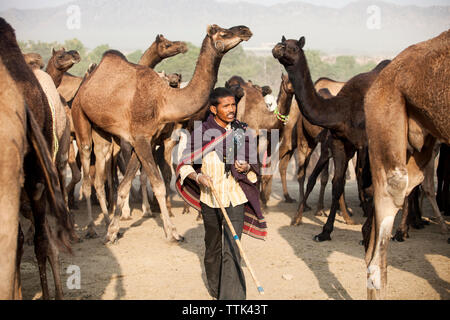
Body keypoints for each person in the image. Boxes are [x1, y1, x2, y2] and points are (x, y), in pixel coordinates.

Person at [176, 87, 267, 300]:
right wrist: (198, 178)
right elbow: (184, 165)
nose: (231, 109)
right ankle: (217, 291)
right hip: (210, 199)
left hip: (235, 197)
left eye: (233, 105)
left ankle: (232, 299)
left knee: (233, 249)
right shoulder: (200, 134)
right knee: (213, 250)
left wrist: (247, 169)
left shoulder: (241, 132)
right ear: (213, 109)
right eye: (226, 106)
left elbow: (254, 167)